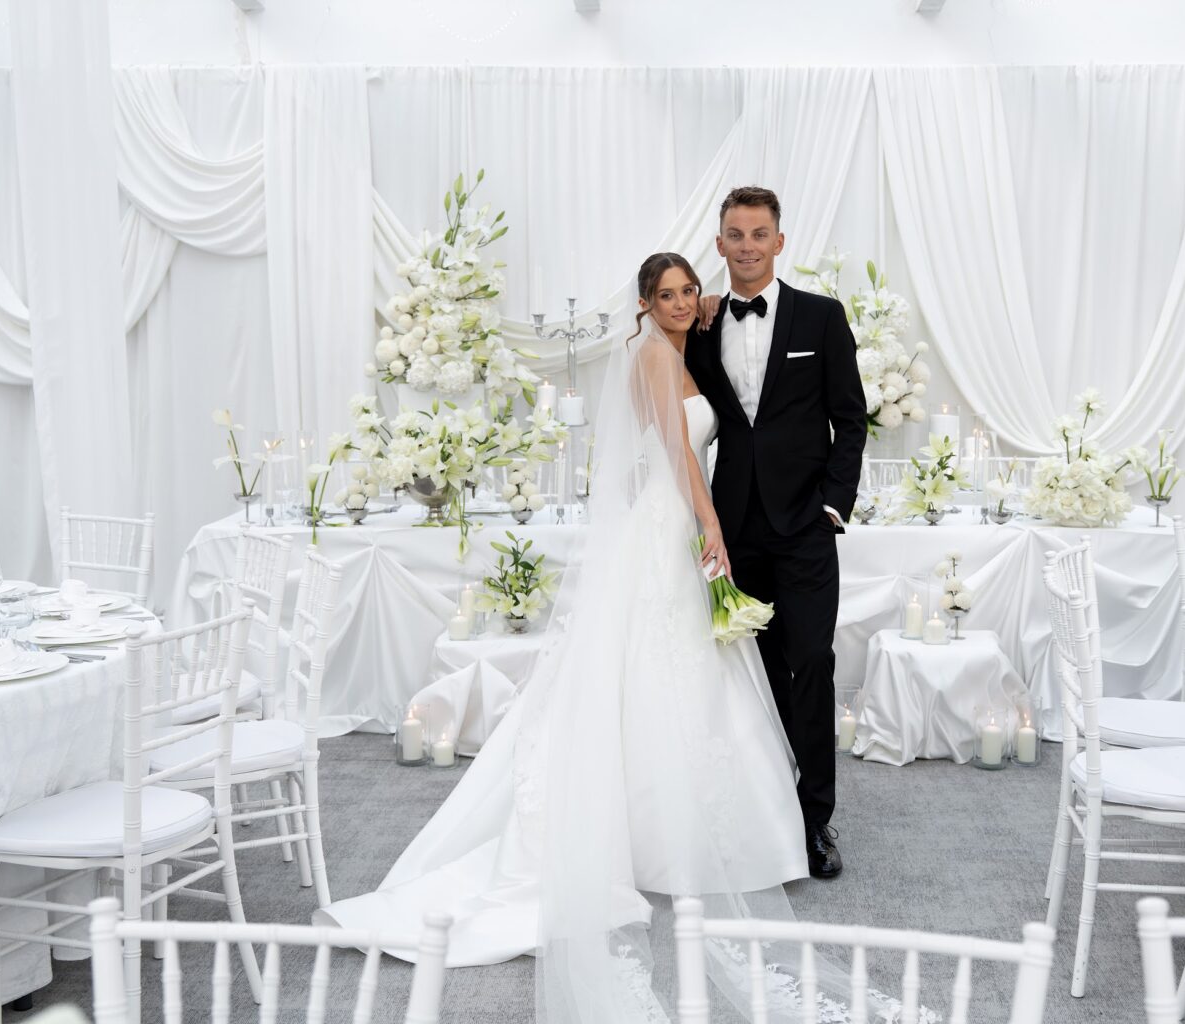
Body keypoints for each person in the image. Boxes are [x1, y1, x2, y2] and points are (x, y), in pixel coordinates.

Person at [318, 252, 810, 1020]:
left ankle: (675, 826)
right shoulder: (654, 356)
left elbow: (660, 442)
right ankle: (666, 837)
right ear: (644, 302)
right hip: (674, 522)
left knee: (675, 669)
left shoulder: (670, 346)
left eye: (689, 291)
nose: (682, 303)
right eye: (668, 294)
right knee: (664, 669)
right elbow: (678, 452)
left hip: (661, 521)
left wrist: (711, 307)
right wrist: (710, 527)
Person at [685, 185, 868, 879]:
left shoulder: (821, 317)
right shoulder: (700, 325)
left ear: (779, 242)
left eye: (759, 234)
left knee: (810, 662)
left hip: (805, 527)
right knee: (750, 674)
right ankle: (763, 813)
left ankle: (815, 819)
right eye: (736, 234)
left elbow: (850, 419)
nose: (748, 246)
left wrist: (833, 505)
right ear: (720, 243)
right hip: (733, 529)